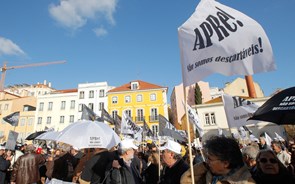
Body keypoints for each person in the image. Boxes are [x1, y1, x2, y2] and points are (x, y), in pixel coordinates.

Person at [181, 136, 255, 184]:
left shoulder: (246, 181)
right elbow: (185, 181)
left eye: (209, 159)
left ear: (225, 163)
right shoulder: (207, 174)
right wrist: (203, 166)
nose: (207, 161)